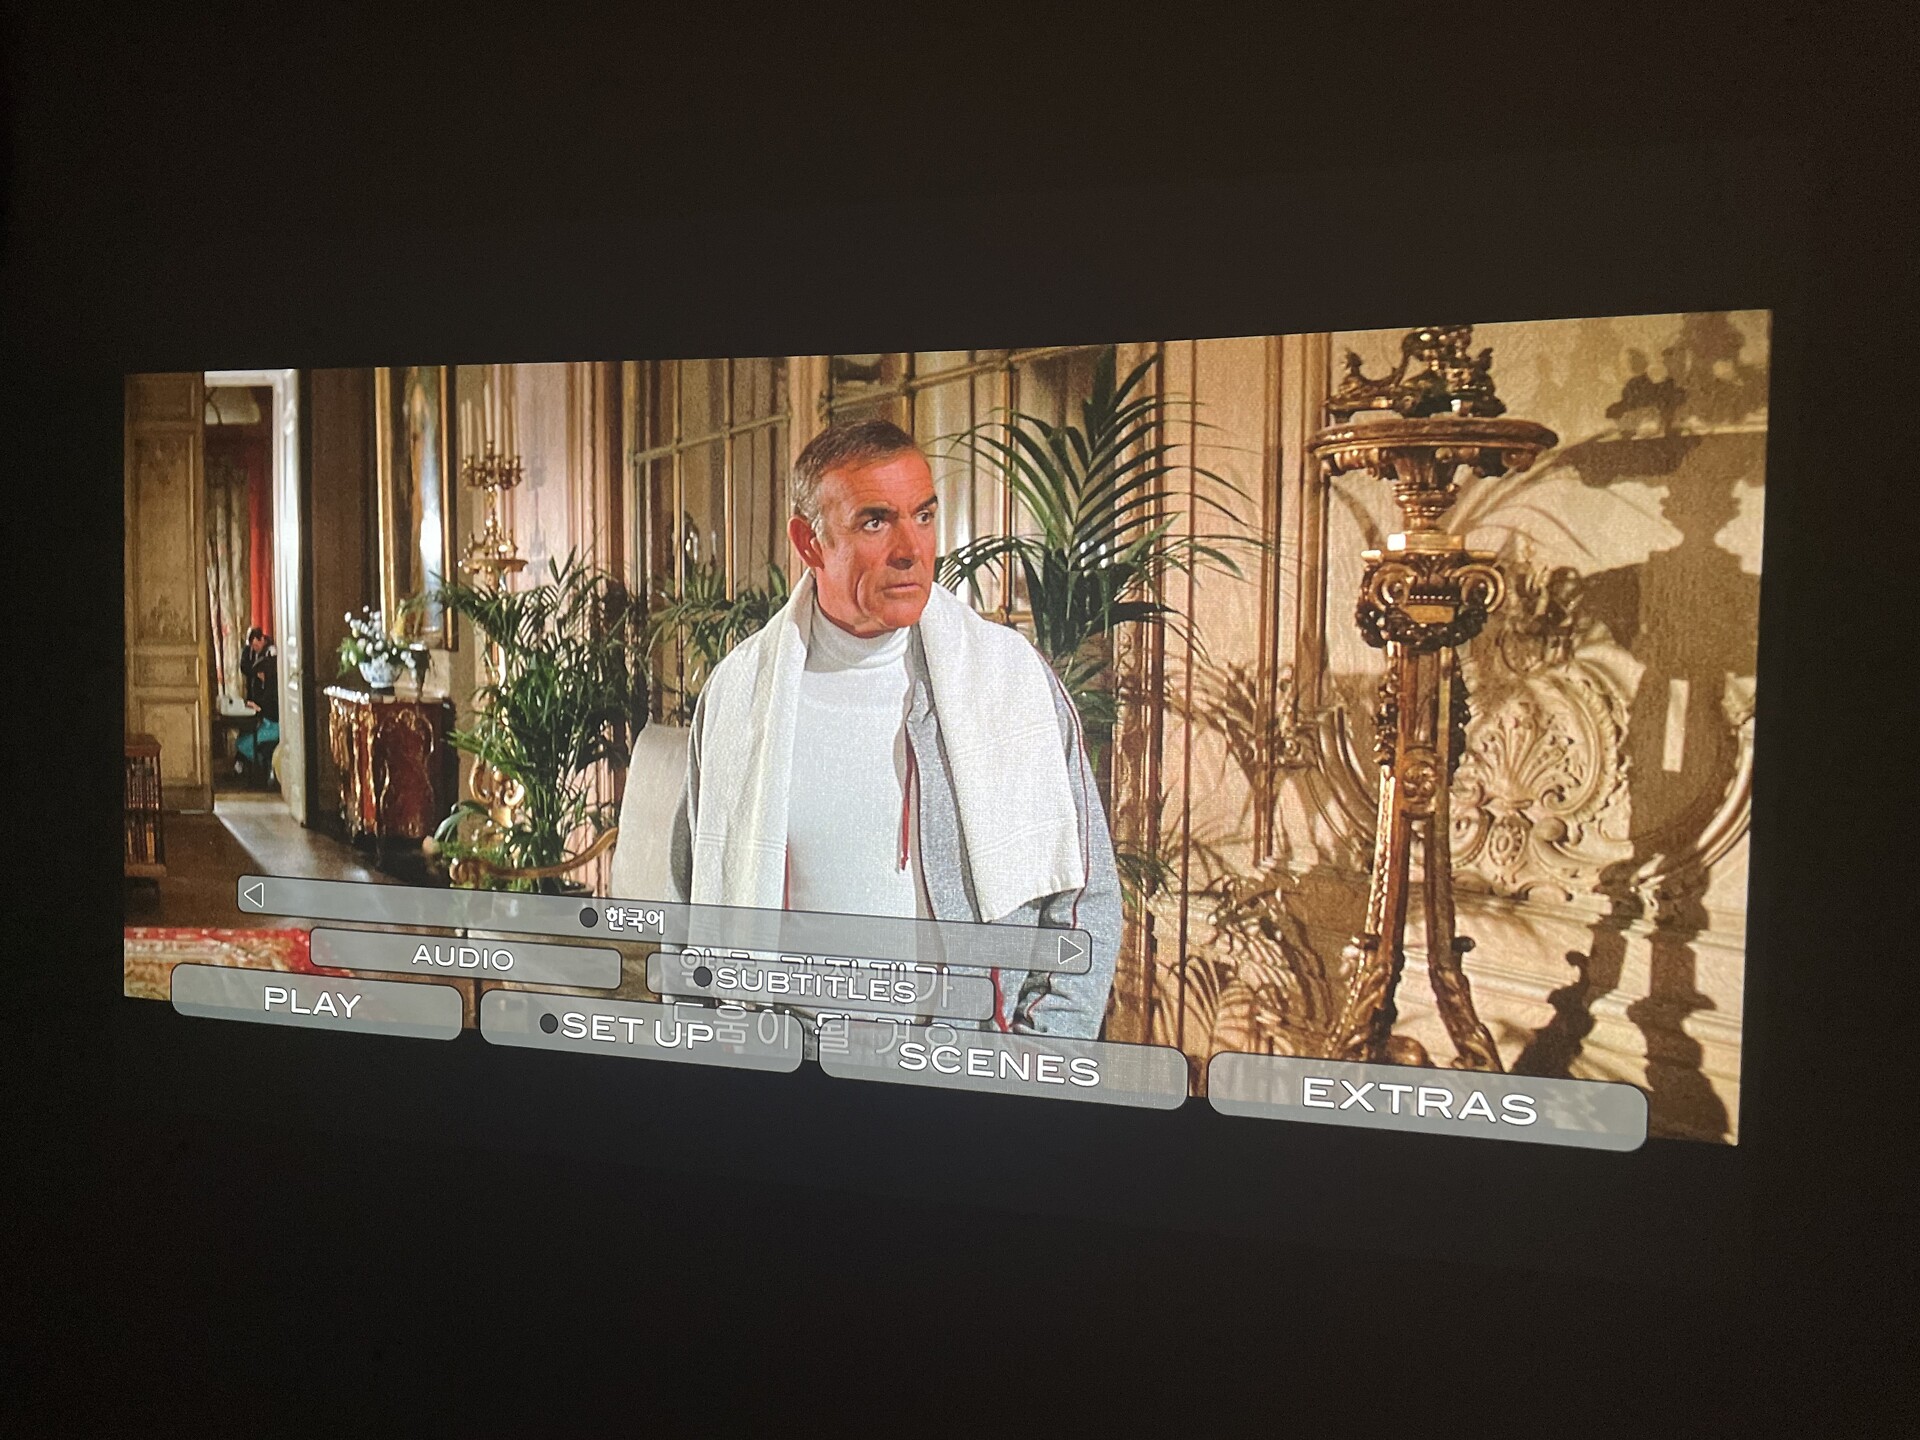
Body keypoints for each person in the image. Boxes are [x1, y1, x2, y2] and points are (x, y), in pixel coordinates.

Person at [669, 419, 1120, 1038]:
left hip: (965, 1065)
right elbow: (690, 900)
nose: (912, 547)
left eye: (924, 516)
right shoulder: (739, 695)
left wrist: (1040, 1057)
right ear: (809, 542)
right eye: (875, 522)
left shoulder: (1011, 679)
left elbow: (1085, 897)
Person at [236, 626, 280, 780]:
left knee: (244, 743)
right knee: (243, 738)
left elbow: (271, 709)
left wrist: (258, 708)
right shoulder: (265, 685)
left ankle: (261, 767)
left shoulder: (273, 687)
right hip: (267, 722)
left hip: (273, 725)